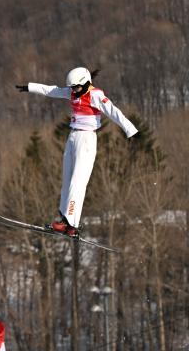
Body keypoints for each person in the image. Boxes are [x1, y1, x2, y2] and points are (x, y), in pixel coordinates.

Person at [16, 67, 138, 237]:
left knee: (77, 182)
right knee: (66, 180)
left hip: (87, 139)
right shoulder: (73, 92)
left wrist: (130, 130)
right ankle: (65, 221)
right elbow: (51, 90)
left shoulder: (95, 95)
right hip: (72, 137)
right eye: (72, 88)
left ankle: (70, 222)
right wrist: (30, 87)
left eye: (76, 87)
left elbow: (113, 112)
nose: (73, 91)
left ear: (86, 82)